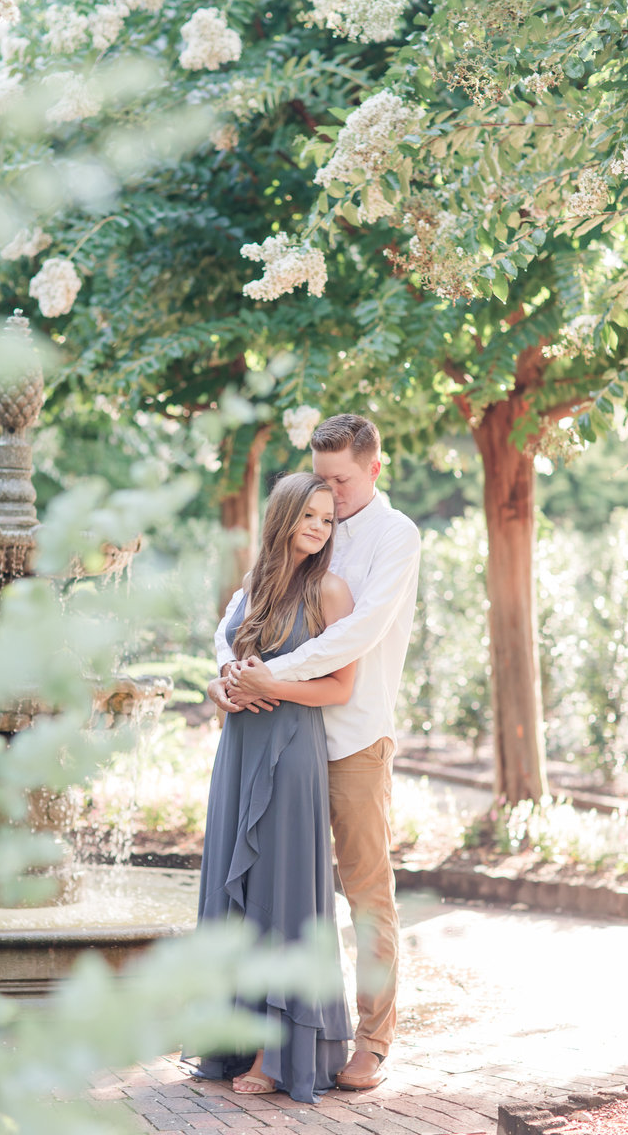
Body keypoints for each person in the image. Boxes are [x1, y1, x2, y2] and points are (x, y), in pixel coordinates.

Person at [212, 414, 421, 1091]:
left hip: (353, 737)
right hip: (284, 743)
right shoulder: (305, 529)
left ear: (374, 469)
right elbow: (241, 614)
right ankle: (274, 1041)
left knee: (366, 893)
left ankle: (373, 1040)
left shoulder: (396, 536)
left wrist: (271, 677)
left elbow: (356, 634)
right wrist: (230, 675)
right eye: (319, 477)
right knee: (283, 897)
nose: (329, 492)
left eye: (342, 480)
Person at [190, 472, 356, 1104]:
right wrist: (220, 687)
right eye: (309, 515)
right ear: (283, 515)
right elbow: (225, 662)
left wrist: (271, 686)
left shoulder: (330, 591)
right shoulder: (251, 587)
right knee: (233, 889)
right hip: (238, 749)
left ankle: (273, 1051)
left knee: (279, 891)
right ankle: (231, 1034)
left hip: (291, 752)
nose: (318, 527)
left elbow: (340, 687)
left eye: (327, 519)